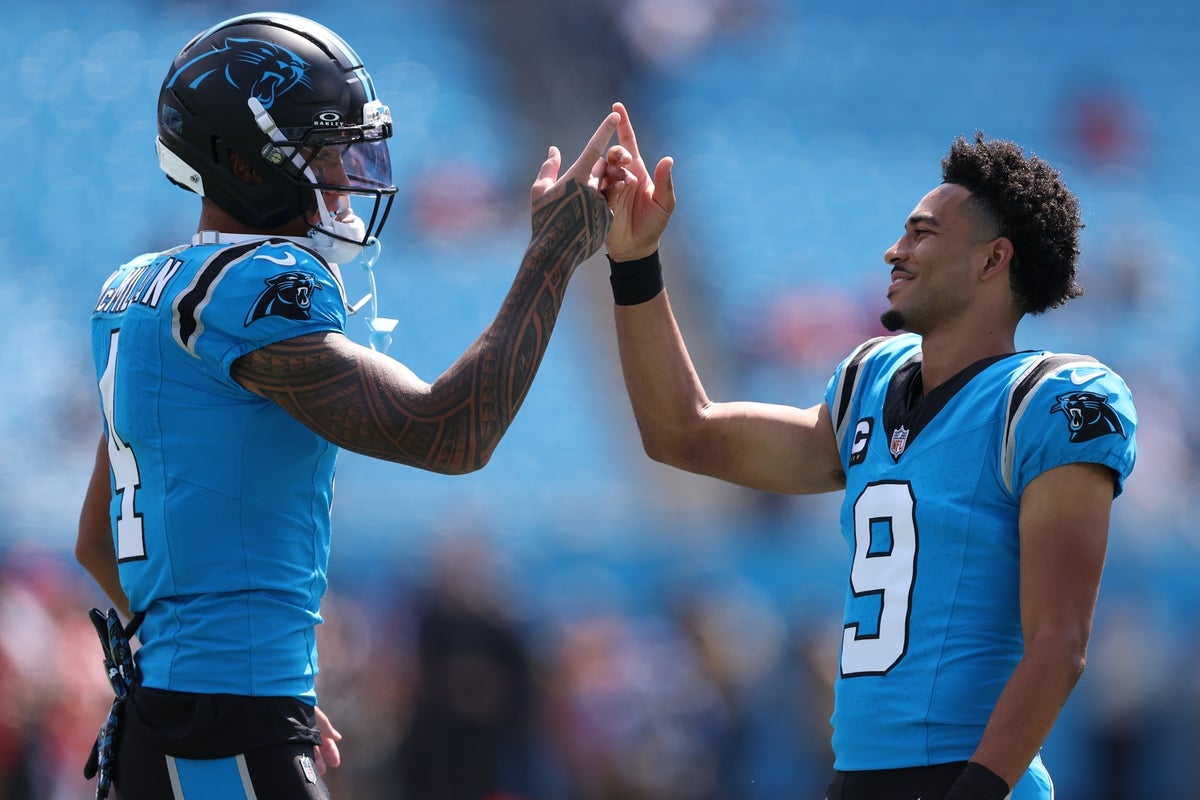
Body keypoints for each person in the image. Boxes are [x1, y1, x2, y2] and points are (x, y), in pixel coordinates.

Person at [74, 11, 622, 799]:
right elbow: (451, 434)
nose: (344, 176)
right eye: (322, 154)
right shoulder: (251, 286)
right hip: (226, 736)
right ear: (245, 162)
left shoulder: (129, 293)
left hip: (166, 725)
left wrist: (215, 663)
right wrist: (553, 255)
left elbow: (97, 539)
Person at [600, 103, 1137, 800]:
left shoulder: (1048, 399)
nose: (895, 249)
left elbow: (1060, 641)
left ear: (993, 258)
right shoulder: (870, 383)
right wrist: (635, 262)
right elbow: (682, 432)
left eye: (922, 232)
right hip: (859, 779)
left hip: (970, 779)